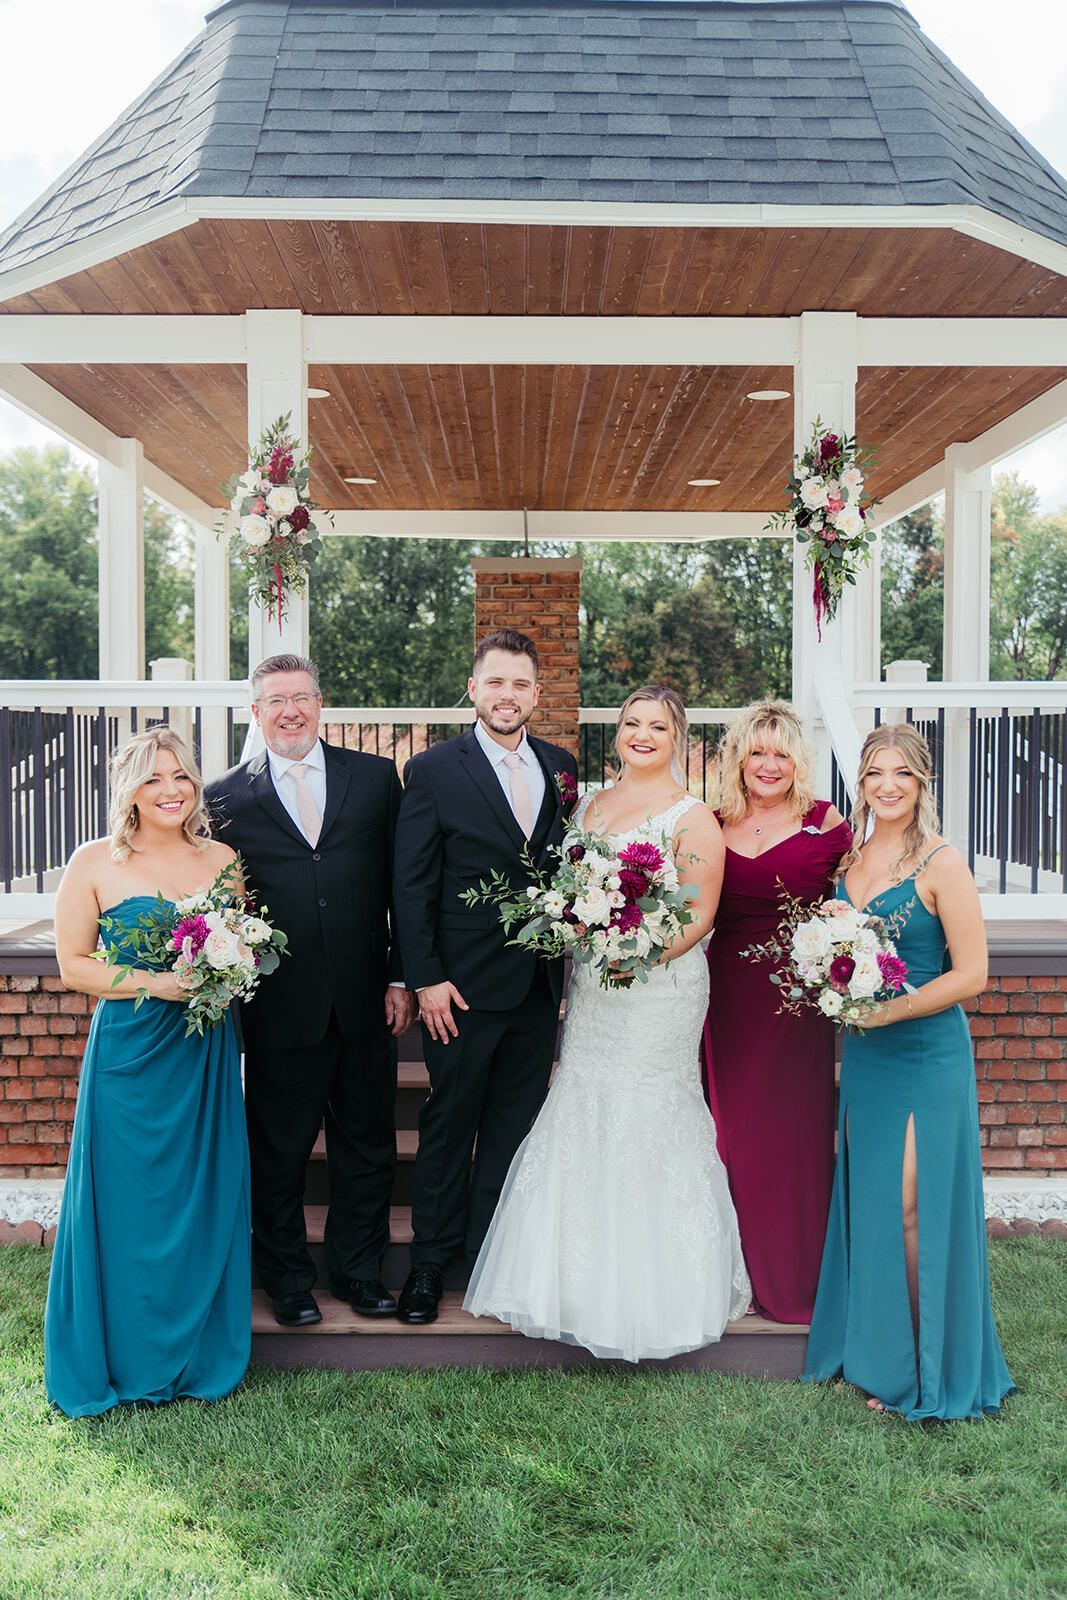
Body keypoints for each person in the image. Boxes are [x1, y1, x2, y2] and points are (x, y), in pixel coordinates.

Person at [465, 686, 750, 1361]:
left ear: (676, 737)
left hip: (658, 989)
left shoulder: (693, 817)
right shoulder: (589, 804)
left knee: (648, 1109)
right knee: (584, 1101)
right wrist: (580, 928)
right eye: (631, 723)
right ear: (616, 731)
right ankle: (570, 1285)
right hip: (596, 985)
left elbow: (698, 911)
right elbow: (575, 894)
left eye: (656, 726)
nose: (641, 735)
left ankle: (659, 1294)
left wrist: (636, 955)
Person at [803, 725, 1015, 1419]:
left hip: (924, 1052)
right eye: (873, 774)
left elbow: (973, 974)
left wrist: (888, 1015)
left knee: (911, 1208)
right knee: (870, 1203)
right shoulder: (852, 857)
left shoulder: (941, 862)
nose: (886, 786)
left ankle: (923, 1374)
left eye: (900, 774)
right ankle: (872, 1355)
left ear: (922, 783)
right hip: (867, 1056)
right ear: (859, 784)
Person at [45, 727, 250, 1417]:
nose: (171, 790)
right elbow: (73, 965)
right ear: (129, 789)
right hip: (130, 1052)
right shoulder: (94, 862)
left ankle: (193, 1351)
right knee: (130, 1200)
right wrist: (155, 985)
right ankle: (122, 1352)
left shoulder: (221, 858)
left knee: (199, 1193)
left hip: (204, 1051)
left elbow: (239, 950)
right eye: (155, 778)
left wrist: (223, 973)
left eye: (182, 776)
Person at [206, 654, 415, 1328]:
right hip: (279, 1009)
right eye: (275, 700)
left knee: (367, 1147)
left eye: (301, 697)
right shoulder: (224, 798)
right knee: (279, 1155)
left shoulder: (377, 779)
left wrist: (400, 973)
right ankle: (288, 1281)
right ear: (256, 712)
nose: (290, 710)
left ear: (320, 704)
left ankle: (359, 1274)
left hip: (366, 1001)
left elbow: (405, 887)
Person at [392, 628, 579, 1324]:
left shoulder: (561, 767)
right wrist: (424, 978)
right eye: (495, 682)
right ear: (473, 690)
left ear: (537, 693)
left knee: (512, 1132)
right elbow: (410, 885)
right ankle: (427, 1267)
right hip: (458, 991)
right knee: (447, 1126)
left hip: (536, 989)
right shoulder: (434, 770)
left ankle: (489, 1263)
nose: (508, 695)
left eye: (521, 683)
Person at [703, 701, 850, 1324]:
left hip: (796, 1003)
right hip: (727, 997)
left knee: (792, 1136)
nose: (769, 765)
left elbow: (860, 893)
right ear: (739, 758)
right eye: (757, 752)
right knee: (728, 1135)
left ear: (799, 762)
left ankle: (795, 1278)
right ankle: (728, 1274)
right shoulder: (710, 823)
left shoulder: (826, 823)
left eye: (781, 754)